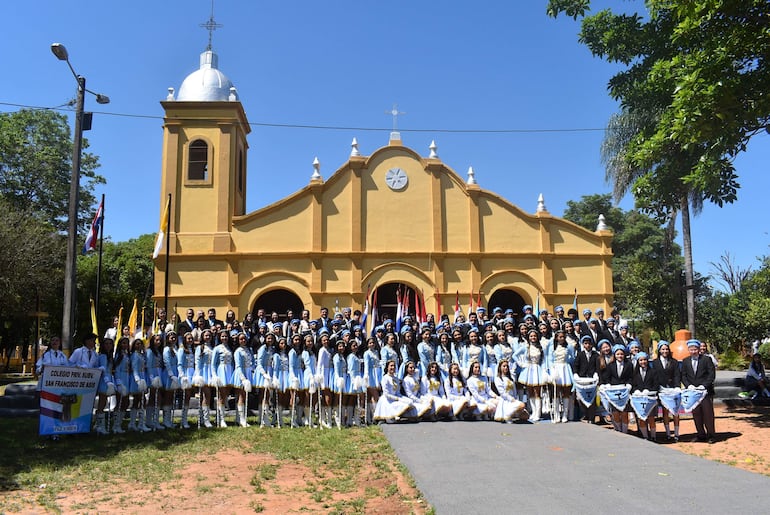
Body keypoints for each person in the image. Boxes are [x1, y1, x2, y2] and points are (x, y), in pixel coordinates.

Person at [681, 339, 717, 443]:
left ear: (698, 349)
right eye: (691, 350)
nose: (693, 351)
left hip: (705, 392)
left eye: (695, 349)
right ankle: (701, 434)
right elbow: (683, 375)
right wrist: (689, 386)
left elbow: (711, 375)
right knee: (696, 414)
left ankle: (711, 435)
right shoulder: (685, 361)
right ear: (689, 350)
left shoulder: (706, 359)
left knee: (708, 414)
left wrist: (704, 386)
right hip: (693, 393)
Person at [652, 340, 681, 441]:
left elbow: (677, 375)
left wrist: (677, 387)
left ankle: (677, 433)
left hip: (673, 389)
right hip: (662, 390)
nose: (665, 351)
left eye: (666, 349)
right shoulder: (655, 363)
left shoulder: (674, 362)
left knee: (676, 412)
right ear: (659, 350)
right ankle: (668, 433)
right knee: (665, 412)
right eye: (663, 349)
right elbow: (654, 376)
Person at [601, 344, 633, 433]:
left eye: (621, 354)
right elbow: (607, 377)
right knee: (615, 413)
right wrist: (607, 385)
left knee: (624, 412)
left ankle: (625, 431)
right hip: (613, 392)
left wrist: (629, 385)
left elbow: (631, 377)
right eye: (618, 354)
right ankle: (618, 429)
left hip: (624, 392)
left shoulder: (629, 364)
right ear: (614, 355)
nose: (620, 356)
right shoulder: (610, 365)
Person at [547, 329, 575, 423]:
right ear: (556, 338)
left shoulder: (569, 347)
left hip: (565, 368)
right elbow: (549, 359)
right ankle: (556, 414)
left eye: (563, 337)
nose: (562, 338)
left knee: (566, 392)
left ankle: (565, 414)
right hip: (556, 368)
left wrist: (567, 364)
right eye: (560, 337)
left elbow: (572, 357)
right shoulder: (552, 347)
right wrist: (552, 370)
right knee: (556, 392)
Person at [631, 352, 659, 441]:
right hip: (639, 399)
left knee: (651, 418)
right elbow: (633, 385)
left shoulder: (653, 372)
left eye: (645, 360)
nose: (643, 362)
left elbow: (656, 385)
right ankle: (645, 437)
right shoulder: (634, 373)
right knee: (641, 418)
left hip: (650, 399)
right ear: (638, 361)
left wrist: (648, 391)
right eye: (641, 360)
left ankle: (654, 436)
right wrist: (636, 391)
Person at [573, 335, 600, 423]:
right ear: (583, 345)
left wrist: (596, 374)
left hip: (592, 381)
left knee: (592, 399)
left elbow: (598, 366)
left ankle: (592, 417)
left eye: (589, 343)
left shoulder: (596, 355)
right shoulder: (580, 354)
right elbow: (576, 366)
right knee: (581, 398)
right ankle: (585, 415)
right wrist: (576, 374)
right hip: (582, 380)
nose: (587, 345)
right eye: (585, 343)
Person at [211, 330, 235, 427]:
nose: (224, 338)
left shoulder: (230, 348)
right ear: (219, 337)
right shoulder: (217, 348)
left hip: (229, 371)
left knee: (226, 396)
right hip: (221, 371)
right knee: (221, 396)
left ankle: (219, 416)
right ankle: (221, 419)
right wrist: (215, 375)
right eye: (222, 336)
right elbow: (213, 364)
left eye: (226, 336)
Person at [521, 329, 546, 421]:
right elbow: (515, 355)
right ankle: (533, 412)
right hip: (528, 370)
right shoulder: (526, 347)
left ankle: (538, 413)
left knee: (537, 392)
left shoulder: (540, 347)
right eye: (531, 336)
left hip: (537, 369)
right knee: (530, 392)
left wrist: (544, 370)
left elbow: (544, 359)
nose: (533, 337)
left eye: (534, 336)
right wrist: (522, 363)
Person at [193, 328, 215, 428]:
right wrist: (198, 375)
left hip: (211, 371)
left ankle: (202, 417)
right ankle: (206, 419)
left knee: (205, 395)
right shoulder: (200, 348)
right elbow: (197, 362)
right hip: (203, 372)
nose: (208, 337)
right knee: (207, 395)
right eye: (206, 336)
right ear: (202, 337)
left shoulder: (212, 347)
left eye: (209, 336)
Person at [93, 338, 116, 435]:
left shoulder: (110, 356)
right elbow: (103, 369)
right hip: (104, 380)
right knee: (102, 403)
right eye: (106, 344)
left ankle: (99, 424)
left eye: (110, 344)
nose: (108, 345)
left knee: (104, 402)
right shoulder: (102, 356)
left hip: (109, 379)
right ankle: (100, 425)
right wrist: (107, 381)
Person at [129, 338, 152, 432]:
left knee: (137, 400)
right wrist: (137, 379)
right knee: (142, 400)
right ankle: (140, 423)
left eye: (140, 344)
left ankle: (133, 423)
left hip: (142, 376)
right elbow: (134, 368)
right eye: (137, 344)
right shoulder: (134, 355)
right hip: (137, 378)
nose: (138, 346)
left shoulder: (142, 355)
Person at [233, 332, 254, 427]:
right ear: (238, 341)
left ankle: (238, 418)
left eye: (244, 339)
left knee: (244, 396)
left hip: (248, 373)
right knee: (241, 396)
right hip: (241, 374)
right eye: (241, 339)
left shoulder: (249, 350)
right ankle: (242, 419)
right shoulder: (238, 351)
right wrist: (243, 378)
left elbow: (253, 362)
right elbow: (238, 366)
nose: (243, 340)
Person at [145, 334, 165, 431]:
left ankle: (153, 420)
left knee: (156, 398)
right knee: (155, 397)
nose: (158, 342)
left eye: (160, 340)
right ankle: (150, 420)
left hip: (159, 374)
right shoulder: (149, 351)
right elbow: (148, 365)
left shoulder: (158, 351)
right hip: (153, 375)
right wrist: (152, 378)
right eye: (156, 340)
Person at [112, 337, 132, 433]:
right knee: (119, 402)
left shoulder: (127, 355)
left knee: (126, 402)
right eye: (123, 343)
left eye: (127, 343)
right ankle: (115, 425)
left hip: (127, 379)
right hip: (120, 380)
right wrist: (118, 382)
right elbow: (116, 370)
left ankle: (119, 423)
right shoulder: (118, 356)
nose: (125, 345)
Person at [161, 331, 181, 429]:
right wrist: (171, 375)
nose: (173, 339)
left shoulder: (176, 348)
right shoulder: (166, 349)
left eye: (174, 337)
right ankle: (165, 420)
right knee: (168, 397)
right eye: (171, 338)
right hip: (169, 374)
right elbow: (167, 362)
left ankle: (169, 419)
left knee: (172, 397)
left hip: (175, 372)